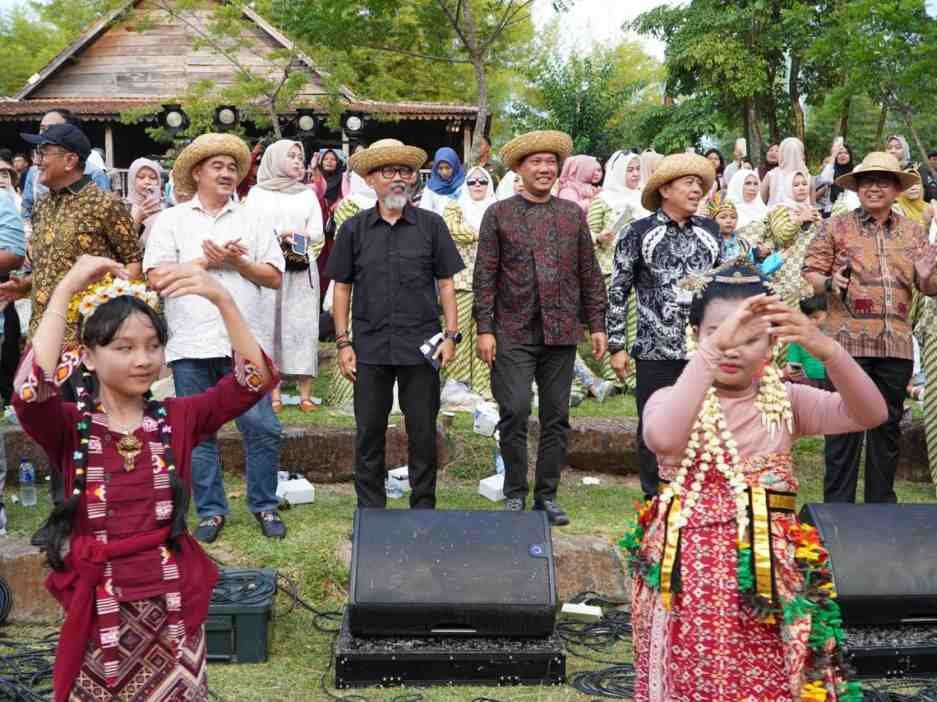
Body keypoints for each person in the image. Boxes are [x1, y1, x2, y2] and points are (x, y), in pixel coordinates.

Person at [13, 254, 276, 702]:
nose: (143, 359)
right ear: (87, 359)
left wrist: (222, 298)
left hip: (172, 603)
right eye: (124, 347)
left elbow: (254, 381)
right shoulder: (70, 426)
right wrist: (64, 289)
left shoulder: (180, 417)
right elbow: (29, 390)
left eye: (153, 345)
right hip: (98, 607)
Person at [626, 260, 886, 702]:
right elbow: (663, 438)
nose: (731, 349)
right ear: (695, 336)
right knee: (695, 680)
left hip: (773, 581)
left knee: (773, 680)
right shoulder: (671, 398)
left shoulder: (785, 402)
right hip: (689, 577)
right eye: (717, 335)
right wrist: (711, 353)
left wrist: (827, 350)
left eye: (748, 339)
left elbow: (871, 414)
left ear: (770, 345)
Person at [143, 133, 286, 542]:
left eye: (232, 167)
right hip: (190, 341)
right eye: (217, 167)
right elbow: (156, 277)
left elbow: (274, 277)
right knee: (198, 431)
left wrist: (238, 263)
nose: (226, 173)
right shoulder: (172, 220)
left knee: (262, 426)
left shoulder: (253, 219)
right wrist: (206, 260)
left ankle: (265, 504)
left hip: (243, 342)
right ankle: (210, 511)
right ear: (197, 173)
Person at [13, 123, 141, 547]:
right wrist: (22, 286)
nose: (36, 161)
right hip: (45, 341)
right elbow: (50, 269)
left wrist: (109, 323)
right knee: (53, 433)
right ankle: (62, 515)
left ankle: (100, 513)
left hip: (86, 345)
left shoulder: (105, 204)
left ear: (69, 160)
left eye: (43, 153)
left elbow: (132, 265)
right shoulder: (44, 204)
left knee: (89, 431)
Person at [474, 130, 607, 526]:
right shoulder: (498, 214)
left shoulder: (571, 215)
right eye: (536, 162)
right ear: (519, 168)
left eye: (551, 162)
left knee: (556, 415)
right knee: (513, 410)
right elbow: (485, 275)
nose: (545, 168)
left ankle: (546, 496)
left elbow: (589, 271)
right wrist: (485, 328)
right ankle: (515, 490)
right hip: (512, 329)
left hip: (561, 330)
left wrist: (597, 323)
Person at [327, 138, 463, 509]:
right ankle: (371, 510)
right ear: (371, 179)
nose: (399, 179)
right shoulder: (353, 229)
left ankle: (423, 508)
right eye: (389, 172)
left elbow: (447, 283)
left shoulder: (432, 226)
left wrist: (451, 336)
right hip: (369, 346)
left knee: (422, 431)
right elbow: (341, 288)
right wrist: (343, 343)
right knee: (369, 431)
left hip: (422, 346)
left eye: (405, 171)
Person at [803, 151, 937, 503]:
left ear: (896, 190)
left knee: (887, 428)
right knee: (842, 428)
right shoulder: (835, 225)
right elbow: (811, 273)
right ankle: (837, 514)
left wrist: (928, 276)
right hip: (846, 345)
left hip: (895, 346)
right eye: (866, 181)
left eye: (882, 181)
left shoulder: (913, 231)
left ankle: (881, 513)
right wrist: (830, 282)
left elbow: (930, 286)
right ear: (858, 187)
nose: (873, 187)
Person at [607, 153, 722, 500]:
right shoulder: (638, 232)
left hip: (704, 349)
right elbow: (617, 290)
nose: (696, 189)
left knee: (704, 424)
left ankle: (698, 497)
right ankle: (654, 500)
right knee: (654, 425)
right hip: (655, 347)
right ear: (665, 189)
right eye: (688, 183)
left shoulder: (711, 231)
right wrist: (616, 345)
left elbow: (721, 287)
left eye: (700, 184)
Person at [243, 139, 324, 413]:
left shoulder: (307, 194)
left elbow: (317, 231)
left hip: (300, 268)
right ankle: (273, 394)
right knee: (269, 325)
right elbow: (250, 231)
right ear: (275, 159)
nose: (298, 162)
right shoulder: (256, 195)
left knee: (302, 326)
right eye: (291, 156)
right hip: (266, 268)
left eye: (300, 157)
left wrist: (292, 235)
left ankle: (305, 395)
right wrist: (276, 239)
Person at [586, 150, 646, 390]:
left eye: (637, 169)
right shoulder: (603, 200)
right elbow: (586, 233)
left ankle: (634, 376)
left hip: (640, 270)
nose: (634, 174)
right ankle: (612, 376)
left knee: (637, 321)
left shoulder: (644, 200)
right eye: (629, 170)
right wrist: (599, 237)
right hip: (610, 269)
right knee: (613, 320)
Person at [324, 171, 378, 409]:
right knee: (351, 329)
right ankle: (347, 394)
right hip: (356, 278)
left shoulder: (394, 204)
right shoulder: (349, 204)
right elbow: (343, 239)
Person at [442, 165, 496, 398]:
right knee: (459, 331)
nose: (477, 185)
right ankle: (456, 384)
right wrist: (480, 233)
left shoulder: (496, 208)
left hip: (491, 281)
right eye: (472, 181)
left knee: (486, 332)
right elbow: (452, 229)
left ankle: (485, 386)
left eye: (482, 182)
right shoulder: (455, 207)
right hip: (461, 279)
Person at [20, 109, 111, 223]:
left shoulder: (96, 179)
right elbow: (26, 210)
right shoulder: (41, 197)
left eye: (52, 129)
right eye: (42, 128)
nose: (44, 134)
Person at [784, 293, 829, 388]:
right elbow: (793, 361)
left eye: (816, 317)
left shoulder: (834, 334)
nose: (812, 322)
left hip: (832, 381)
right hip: (808, 382)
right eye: (808, 318)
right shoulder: (798, 337)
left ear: (828, 314)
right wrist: (794, 372)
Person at [125, 157, 165, 245]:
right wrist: (138, 218)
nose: (147, 181)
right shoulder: (123, 209)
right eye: (141, 177)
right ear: (132, 180)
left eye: (153, 177)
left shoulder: (165, 209)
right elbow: (123, 243)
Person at [420, 146, 466, 216]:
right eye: (440, 168)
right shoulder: (430, 188)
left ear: (455, 166)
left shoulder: (464, 184)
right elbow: (425, 213)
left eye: (448, 168)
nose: (444, 172)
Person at [815, 141, 855, 217]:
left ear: (850, 156)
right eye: (839, 153)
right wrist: (833, 156)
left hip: (851, 212)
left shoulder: (855, 171)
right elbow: (825, 179)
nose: (843, 155)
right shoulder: (831, 171)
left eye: (846, 153)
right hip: (832, 212)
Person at [708, 193, 750, 260]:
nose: (729, 221)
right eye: (723, 217)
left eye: (733, 217)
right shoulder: (709, 243)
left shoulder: (743, 244)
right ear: (713, 221)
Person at [726, 168, 767, 232]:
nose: (752, 188)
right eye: (748, 183)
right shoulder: (727, 209)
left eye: (756, 184)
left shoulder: (762, 208)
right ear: (737, 185)